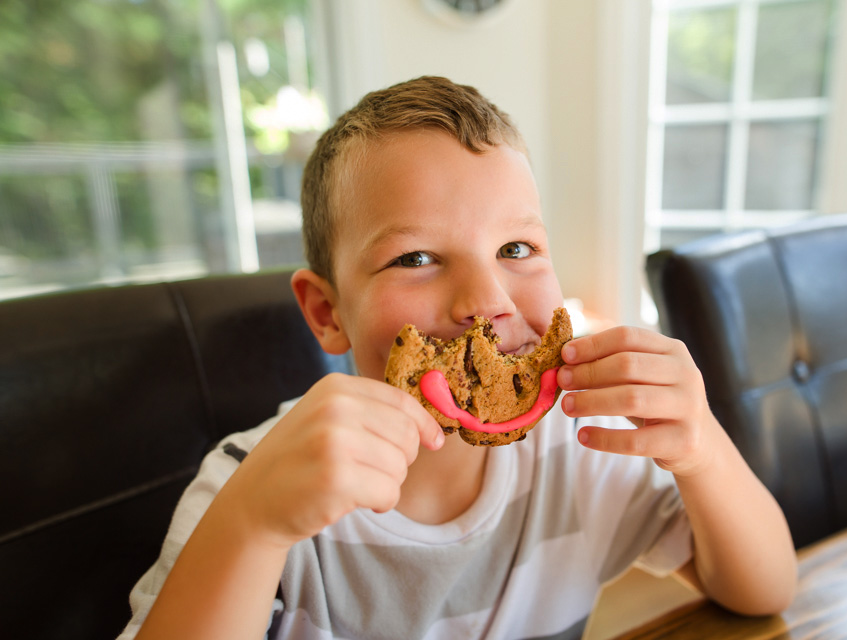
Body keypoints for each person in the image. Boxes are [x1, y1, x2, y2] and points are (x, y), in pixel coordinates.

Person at [119, 76, 796, 640]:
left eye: (517, 250)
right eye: (415, 258)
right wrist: (252, 526)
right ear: (327, 313)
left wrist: (701, 446)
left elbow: (762, 590)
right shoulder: (253, 483)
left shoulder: (583, 446)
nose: (487, 299)